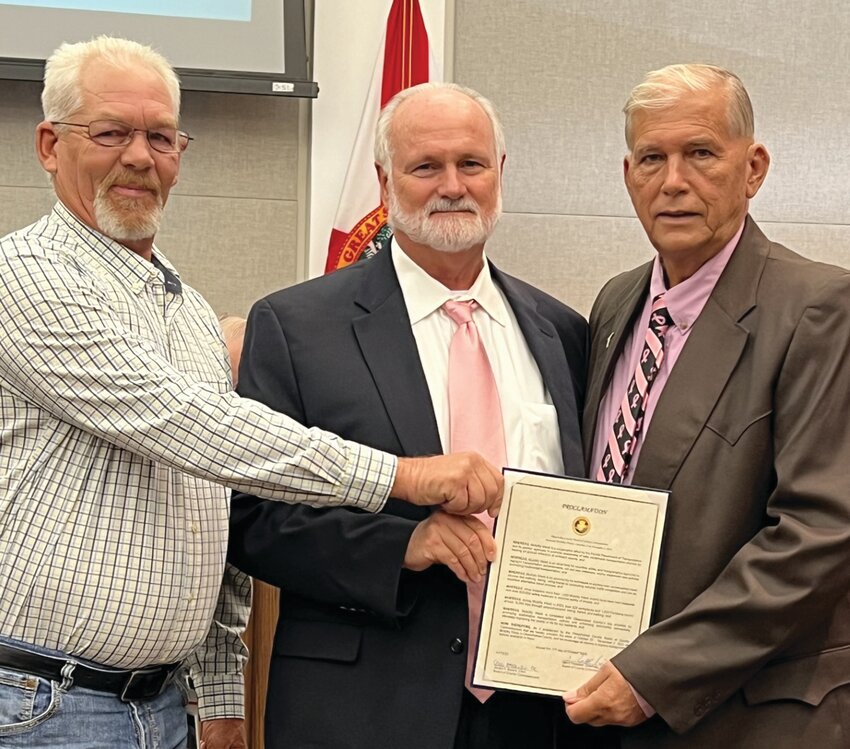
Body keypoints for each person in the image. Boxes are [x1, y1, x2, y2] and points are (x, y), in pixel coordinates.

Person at [0, 38, 503, 749]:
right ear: (50, 145)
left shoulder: (192, 314)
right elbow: (188, 425)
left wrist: (224, 693)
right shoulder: (23, 276)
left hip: (163, 706)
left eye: (160, 136)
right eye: (111, 133)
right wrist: (402, 474)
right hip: (46, 705)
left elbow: (214, 506)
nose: (140, 157)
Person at [229, 82, 614, 749]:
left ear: (501, 173)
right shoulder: (296, 326)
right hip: (363, 708)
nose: (452, 185)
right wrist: (401, 545)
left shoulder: (562, 332)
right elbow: (253, 520)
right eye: (425, 167)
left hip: (537, 713)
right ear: (384, 181)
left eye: (471, 164)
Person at [564, 63, 850, 748]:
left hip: (750, 715)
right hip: (607, 701)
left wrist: (658, 671)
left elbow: (819, 532)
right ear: (627, 173)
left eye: (700, 153)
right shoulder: (615, 302)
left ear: (752, 168)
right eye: (651, 159)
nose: (673, 182)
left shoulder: (819, 307)